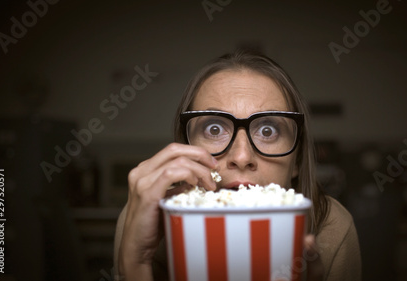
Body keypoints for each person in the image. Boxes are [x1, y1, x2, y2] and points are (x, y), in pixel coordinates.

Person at [114, 49, 361, 280]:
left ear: (296, 160)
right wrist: (135, 265)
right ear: (185, 150)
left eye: (268, 130)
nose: (242, 157)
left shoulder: (332, 229)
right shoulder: (144, 218)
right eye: (214, 129)